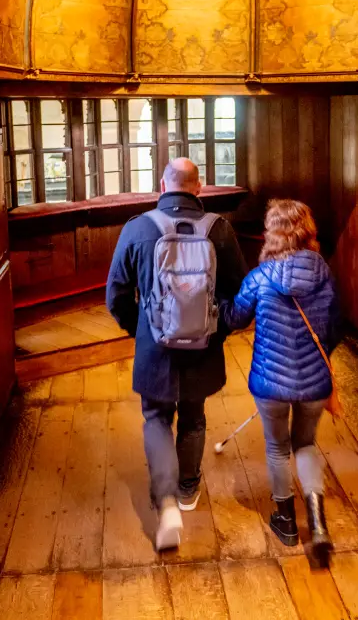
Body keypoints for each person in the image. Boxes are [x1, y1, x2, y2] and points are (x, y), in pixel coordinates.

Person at [106, 158, 248, 551]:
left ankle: (166, 502)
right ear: (199, 188)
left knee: (155, 418)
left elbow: (115, 296)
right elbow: (241, 292)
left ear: (161, 185)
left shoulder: (137, 229)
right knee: (193, 415)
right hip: (204, 346)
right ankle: (188, 491)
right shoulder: (219, 229)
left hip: (155, 347)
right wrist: (219, 328)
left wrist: (141, 328)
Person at [222, 199, 338, 557]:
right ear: (308, 230)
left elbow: (235, 319)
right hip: (316, 382)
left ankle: (286, 522)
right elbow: (335, 327)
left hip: (270, 383)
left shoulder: (260, 278)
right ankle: (317, 526)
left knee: (277, 448)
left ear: (271, 233)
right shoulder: (324, 273)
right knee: (305, 444)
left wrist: (218, 304)